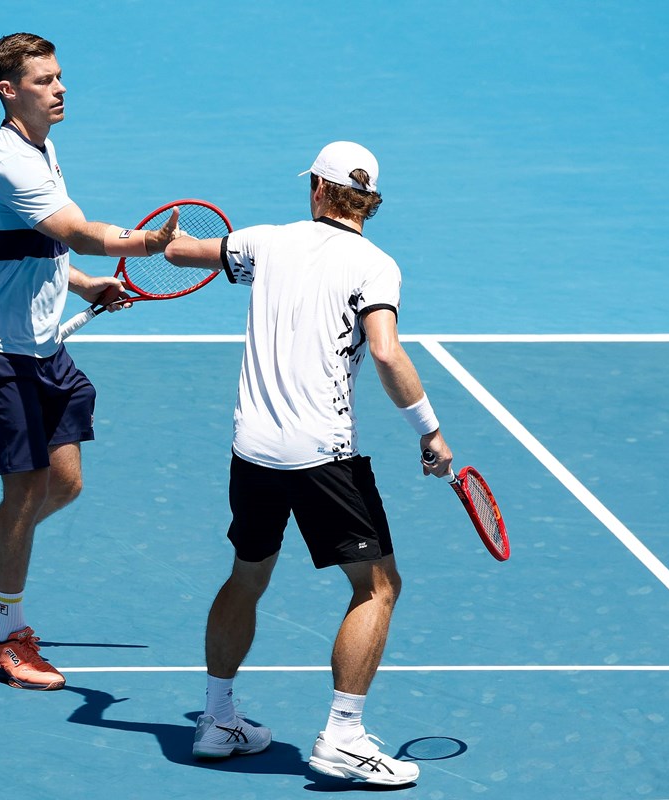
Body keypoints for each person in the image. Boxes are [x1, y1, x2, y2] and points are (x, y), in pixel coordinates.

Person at [164, 141, 453, 786]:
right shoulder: (377, 265)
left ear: (318, 190)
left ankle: (216, 720)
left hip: (254, 452)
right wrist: (430, 431)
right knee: (377, 587)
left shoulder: (265, 243)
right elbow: (384, 351)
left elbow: (178, 251)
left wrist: (151, 238)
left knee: (247, 577)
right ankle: (344, 737)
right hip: (323, 455)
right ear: (367, 202)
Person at [0, 33, 179, 692]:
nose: (59, 87)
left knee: (63, 483)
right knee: (24, 492)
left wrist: (87, 284)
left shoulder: (42, 149)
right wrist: (140, 245)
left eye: (60, 76)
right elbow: (81, 232)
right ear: (9, 91)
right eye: (43, 80)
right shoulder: (8, 162)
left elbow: (41, 245)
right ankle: (9, 635)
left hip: (41, 345)